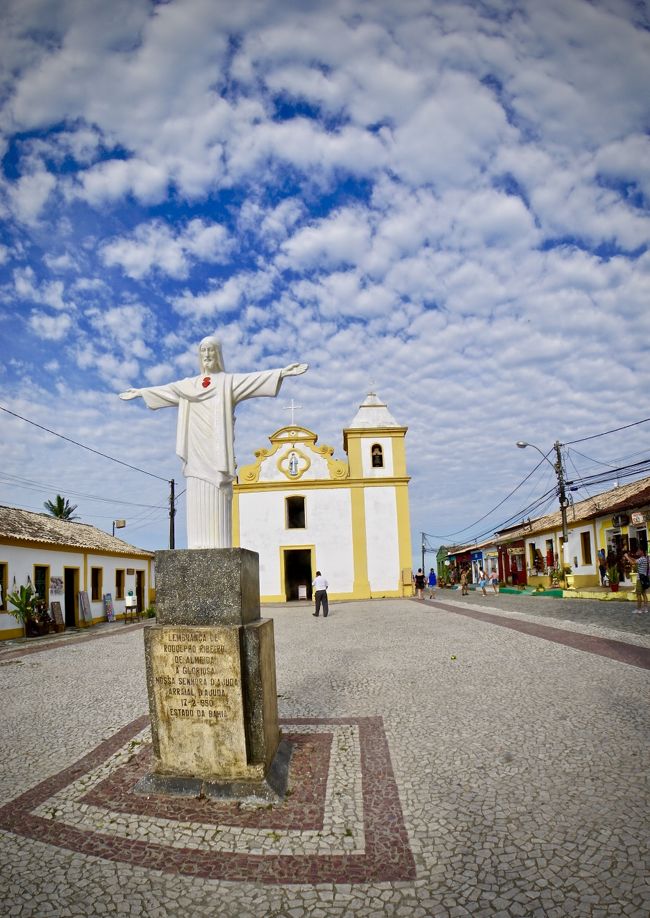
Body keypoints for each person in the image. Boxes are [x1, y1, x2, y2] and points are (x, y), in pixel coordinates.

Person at [120, 337, 307, 549]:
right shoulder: (188, 386)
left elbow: (254, 380)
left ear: (218, 354)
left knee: (218, 489)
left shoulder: (228, 382)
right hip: (195, 450)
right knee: (197, 489)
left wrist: (281, 372)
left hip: (218, 450)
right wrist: (141, 392)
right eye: (203, 351)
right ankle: (197, 545)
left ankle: (219, 545)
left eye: (211, 350)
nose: (207, 355)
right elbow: (165, 391)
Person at [624, 548, 649, 614]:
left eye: (638, 550)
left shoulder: (641, 559)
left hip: (640, 579)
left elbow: (633, 563)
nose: (637, 551)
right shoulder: (644, 558)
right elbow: (635, 560)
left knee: (638, 594)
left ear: (642, 551)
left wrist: (626, 557)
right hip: (644, 578)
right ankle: (645, 608)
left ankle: (639, 609)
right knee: (644, 594)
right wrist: (630, 557)